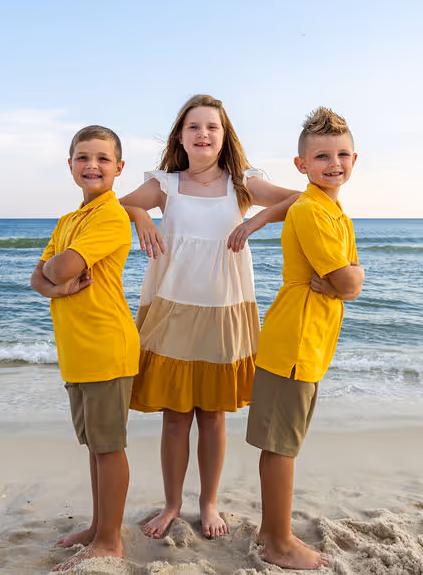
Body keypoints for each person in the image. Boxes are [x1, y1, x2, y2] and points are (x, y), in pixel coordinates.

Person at [119, 94, 299, 539]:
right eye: (194, 126)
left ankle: (209, 502)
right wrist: (141, 214)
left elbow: (299, 199)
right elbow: (114, 203)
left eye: (211, 127)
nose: (203, 134)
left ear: (224, 136)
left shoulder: (243, 183)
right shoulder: (166, 184)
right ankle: (172, 505)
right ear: (181, 136)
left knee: (214, 415)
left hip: (224, 309)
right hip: (173, 308)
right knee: (176, 416)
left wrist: (255, 221)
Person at [246, 107, 363, 570]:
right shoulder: (313, 210)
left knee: (284, 441)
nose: (333, 163)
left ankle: (270, 530)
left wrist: (345, 278)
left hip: (309, 341)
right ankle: (277, 541)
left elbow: (346, 280)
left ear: (355, 158)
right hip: (293, 341)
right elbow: (350, 283)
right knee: (281, 446)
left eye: (341, 154)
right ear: (302, 166)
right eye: (320, 156)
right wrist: (348, 278)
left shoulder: (331, 208)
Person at [29, 125, 139, 572]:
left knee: (109, 447)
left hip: (106, 345)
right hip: (77, 350)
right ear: (70, 164)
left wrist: (55, 274)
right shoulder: (68, 220)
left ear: (118, 168)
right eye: (82, 157)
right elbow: (38, 278)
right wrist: (55, 284)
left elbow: (60, 266)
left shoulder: (110, 216)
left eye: (102, 158)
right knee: (94, 445)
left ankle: (110, 541)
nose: (92, 165)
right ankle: (98, 527)